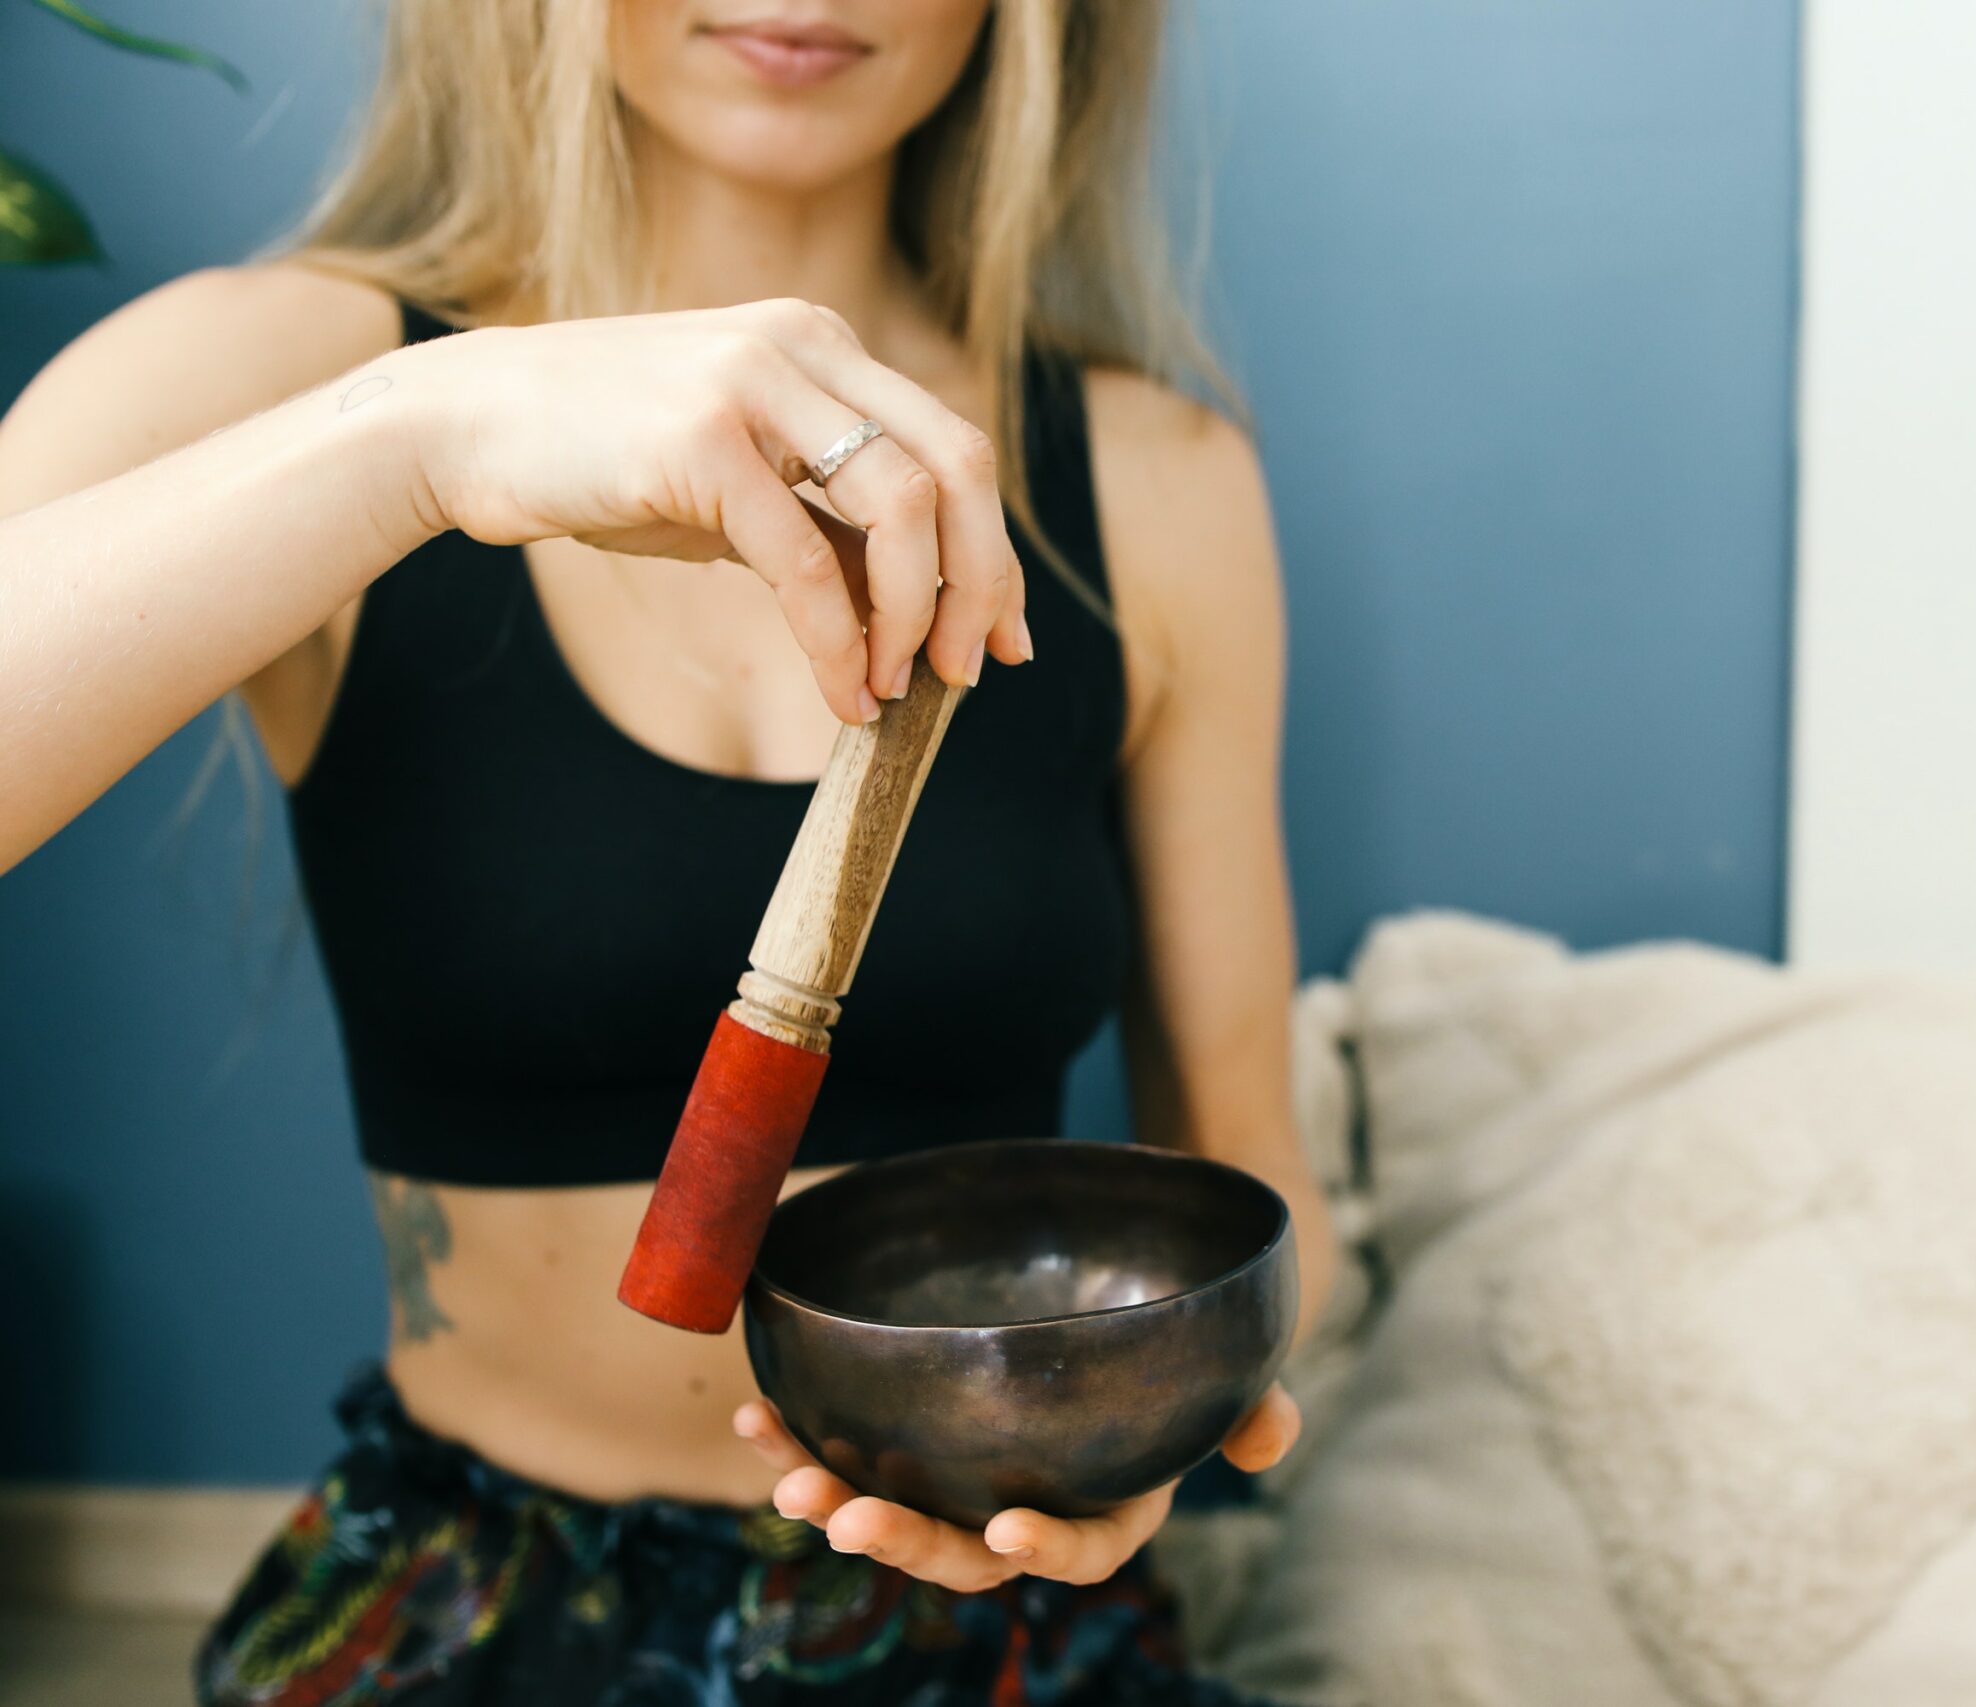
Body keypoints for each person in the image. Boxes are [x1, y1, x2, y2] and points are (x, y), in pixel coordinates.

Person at [0, 1, 1335, 1700]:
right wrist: (425, 441)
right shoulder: (287, 374)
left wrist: (1166, 1426)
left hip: (993, 1618)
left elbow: (1248, 1163)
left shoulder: (1163, 477)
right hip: (462, 1612)